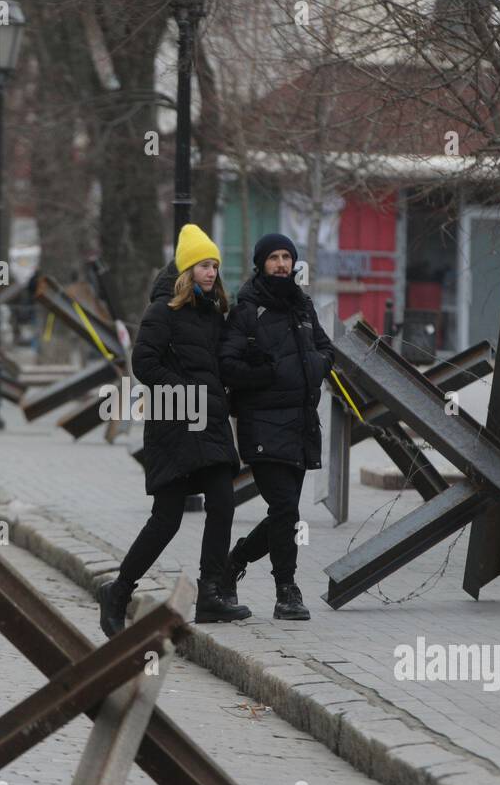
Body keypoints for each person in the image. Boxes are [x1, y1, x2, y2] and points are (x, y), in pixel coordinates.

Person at [97, 224, 251, 638]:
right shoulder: (162, 311)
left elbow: (222, 365)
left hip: (210, 425)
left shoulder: (214, 314)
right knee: (167, 518)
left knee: (223, 501)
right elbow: (143, 364)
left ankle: (210, 595)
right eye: (204, 264)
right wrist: (184, 391)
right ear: (187, 269)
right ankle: (118, 592)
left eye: (215, 266)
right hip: (173, 426)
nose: (211, 272)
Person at [219, 233, 333, 620]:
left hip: (301, 425)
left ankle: (233, 562)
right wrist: (268, 372)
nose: (282, 264)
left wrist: (317, 367)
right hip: (263, 425)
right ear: (260, 264)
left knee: (284, 514)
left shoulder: (302, 307)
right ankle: (287, 590)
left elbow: (326, 348)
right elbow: (227, 365)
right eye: (274, 258)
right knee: (285, 508)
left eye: (287, 257)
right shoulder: (247, 311)